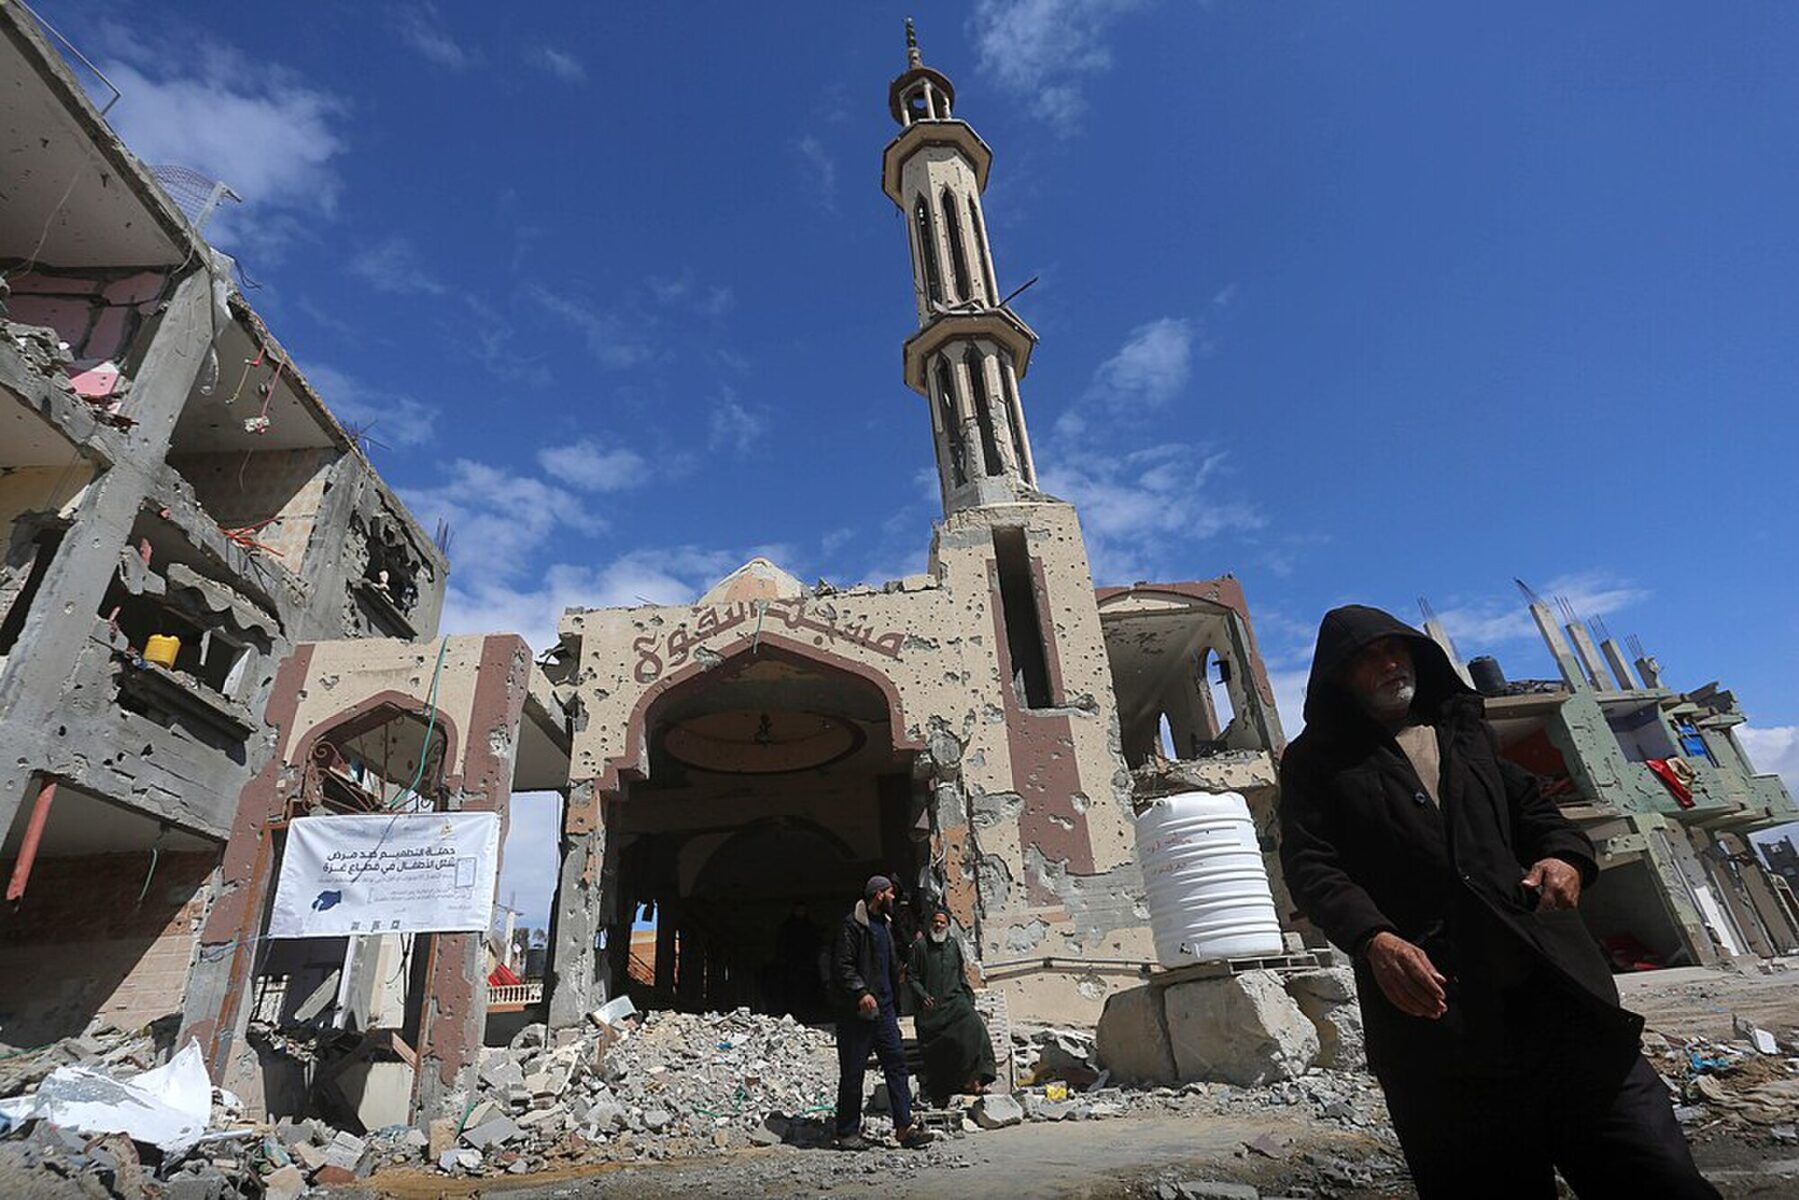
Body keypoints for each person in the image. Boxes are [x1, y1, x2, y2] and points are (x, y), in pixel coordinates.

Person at [1278, 605, 1717, 1198]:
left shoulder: (1464, 731)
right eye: (1368, 658)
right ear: (1338, 677)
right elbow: (1312, 866)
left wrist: (1565, 858)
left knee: (1657, 1177)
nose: (1390, 664)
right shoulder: (1316, 761)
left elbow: (1538, 813)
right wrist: (1374, 939)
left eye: (1396, 650)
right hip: (1441, 1034)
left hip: (1559, 1006)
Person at [829, 875, 934, 1151]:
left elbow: (886, 960)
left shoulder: (885, 925)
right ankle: (847, 1132)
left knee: (897, 1066)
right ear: (878, 894)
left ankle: (904, 1128)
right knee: (853, 1072)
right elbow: (843, 966)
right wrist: (861, 992)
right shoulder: (853, 925)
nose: (893, 898)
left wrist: (898, 971)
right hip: (858, 1013)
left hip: (885, 1011)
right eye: (890, 893)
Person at [907, 906, 997, 1106]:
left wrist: (967, 995)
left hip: (955, 1002)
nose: (938, 925)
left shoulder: (952, 945)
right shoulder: (920, 947)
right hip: (931, 1007)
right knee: (940, 1047)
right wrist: (922, 995)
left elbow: (960, 973)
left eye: (942, 922)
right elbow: (911, 977)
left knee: (975, 1030)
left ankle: (975, 1079)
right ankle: (945, 1088)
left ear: (948, 925)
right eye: (936, 922)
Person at [774, 901, 820, 1018]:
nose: (800, 913)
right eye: (798, 910)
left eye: (802, 910)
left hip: (807, 966)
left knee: (807, 991)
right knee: (791, 992)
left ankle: (807, 1015)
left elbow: (815, 945)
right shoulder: (787, 928)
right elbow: (782, 945)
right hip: (791, 966)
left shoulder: (810, 927)